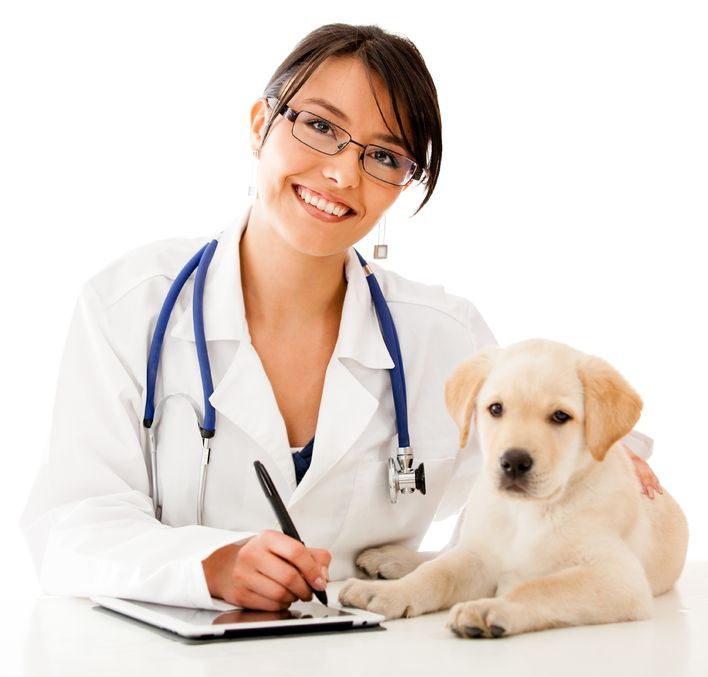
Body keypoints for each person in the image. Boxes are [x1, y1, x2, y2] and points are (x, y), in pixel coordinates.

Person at [19, 23, 662, 613]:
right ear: (259, 124)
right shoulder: (128, 307)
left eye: (384, 156)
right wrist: (208, 565)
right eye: (321, 126)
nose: (342, 172)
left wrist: (617, 462)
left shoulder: (443, 333)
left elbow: (557, 433)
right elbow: (71, 525)